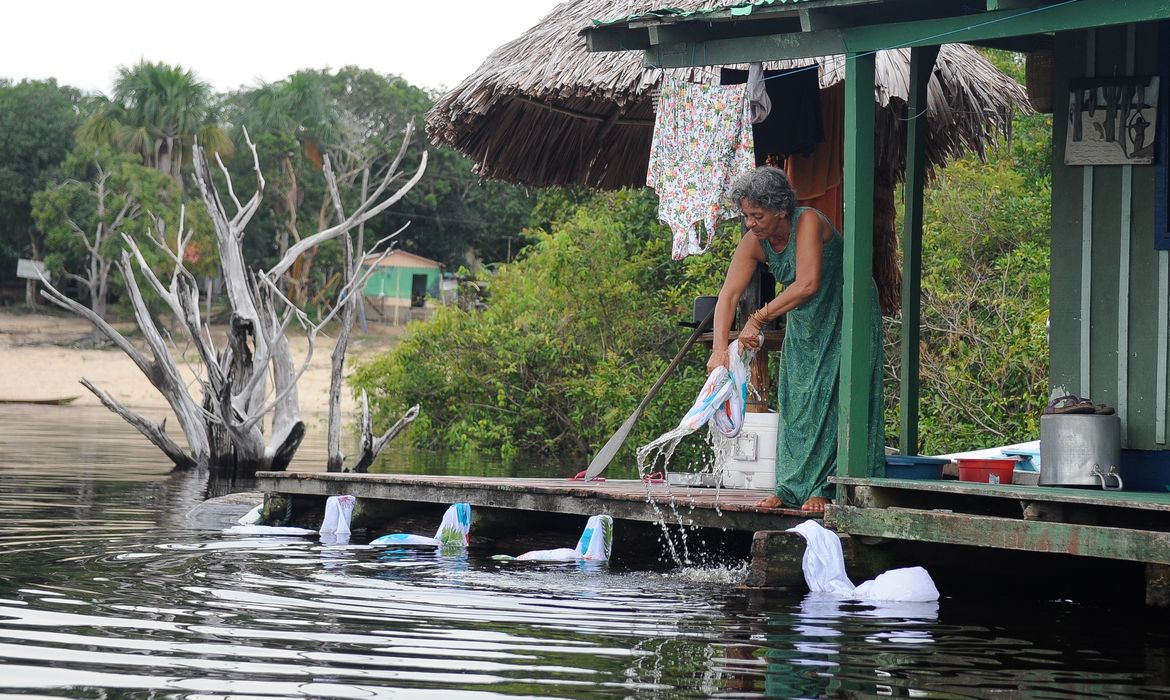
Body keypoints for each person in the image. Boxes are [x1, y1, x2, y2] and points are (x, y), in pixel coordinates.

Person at [706, 166, 883, 513]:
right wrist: (718, 352)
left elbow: (807, 283)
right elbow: (727, 295)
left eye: (758, 215)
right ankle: (789, 487)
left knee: (832, 395)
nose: (751, 223)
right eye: (746, 216)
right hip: (805, 318)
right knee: (796, 394)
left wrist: (757, 319)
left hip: (847, 310)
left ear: (781, 210)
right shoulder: (754, 242)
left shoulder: (809, 222)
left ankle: (825, 487)